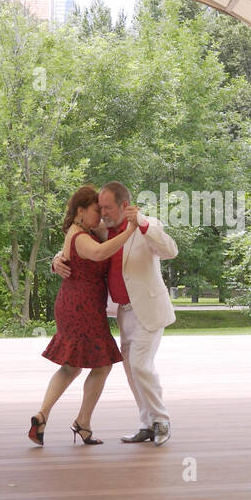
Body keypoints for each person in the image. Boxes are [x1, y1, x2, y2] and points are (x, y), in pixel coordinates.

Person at [53, 181, 178, 446]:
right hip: (124, 313)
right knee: (132, 371)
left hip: (148, 308)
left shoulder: (147, 225)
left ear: (124, 206)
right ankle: (147, 424)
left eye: (107, 208)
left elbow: (170, 250)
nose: (103, 213)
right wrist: (57, 261)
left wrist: (141, 223)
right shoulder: (104, 231)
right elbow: (81, 248)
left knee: (141, 365)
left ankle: (162, 420)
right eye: (100, 208)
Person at [31, 185, 139, 446]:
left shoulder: (82, 231)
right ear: (81, 211)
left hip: (78, 303)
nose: (100, 216)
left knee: (71, 366)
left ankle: (43, 416)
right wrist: (131, 230)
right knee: (100, 364)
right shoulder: (80, 236)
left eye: (103, 210)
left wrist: (57, 259)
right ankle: (82, 422)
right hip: (81, 306)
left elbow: (98, 240)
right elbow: (100, 252)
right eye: (95, 210)